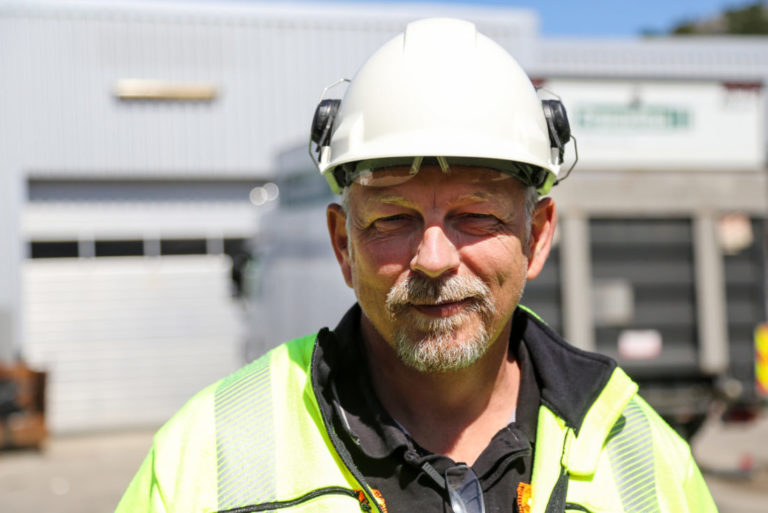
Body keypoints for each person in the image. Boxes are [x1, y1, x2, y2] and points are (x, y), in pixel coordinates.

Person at [117, 18, 717, 513]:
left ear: (536, 237)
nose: (434, 258)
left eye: (477, 216)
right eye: (391, 220)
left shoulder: (646, 461)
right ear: (342, 245)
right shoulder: (204, 458)